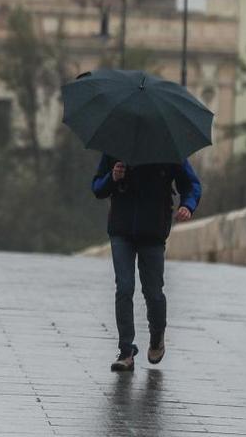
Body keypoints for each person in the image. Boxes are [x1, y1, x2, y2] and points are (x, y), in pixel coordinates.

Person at [92, 156, 201, 372]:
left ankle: (157, 334)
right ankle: (126, 350)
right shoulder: (116, 146)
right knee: (124, 288)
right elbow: (97, 187)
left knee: (153, 292)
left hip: (153, 231)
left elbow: (191, 185)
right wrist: (112, 178)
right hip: (121, 230)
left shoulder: (168, 150)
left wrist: (188, 205)